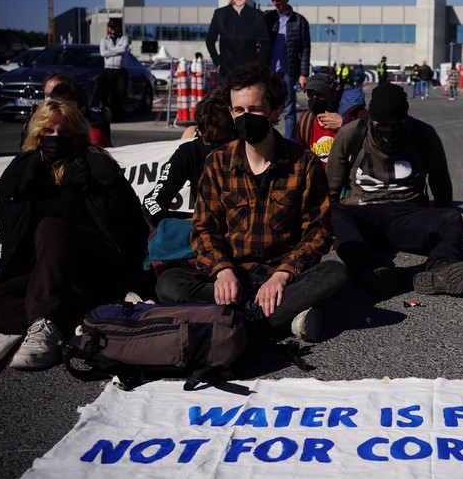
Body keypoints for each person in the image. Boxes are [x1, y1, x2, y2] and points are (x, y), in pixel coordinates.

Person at [155, 63, 349, 343]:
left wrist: (282, 275)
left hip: (283, 276)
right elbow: (204, 229)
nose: (246, 117)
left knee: (336, 273)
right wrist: (222, 272)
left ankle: (227, 321)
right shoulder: (217, 162)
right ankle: (269, 320)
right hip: (232, 278)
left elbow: (318, 232)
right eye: (238, 111)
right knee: (169, 282)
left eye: (255, 110)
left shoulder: (304, 163)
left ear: (276, 111)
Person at [0, 99, 148, 370]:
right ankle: (73, 318)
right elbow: (13, 236)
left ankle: (45, 328)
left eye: (65, 132)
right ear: (36, 134)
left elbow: (134, 226)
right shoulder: (21, 175)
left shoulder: (100, 169)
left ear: (78, 134)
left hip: (94, 269)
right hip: (46, 275)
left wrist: (134, 279)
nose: (57, 137)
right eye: (49, 132)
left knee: (51, 227)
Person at [326, 82, 463, 298]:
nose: (388, 134)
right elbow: (331, 190)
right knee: (333, 213)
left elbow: (441, 185)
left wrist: (447, 234)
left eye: (396, 126)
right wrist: (331, 234)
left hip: (408, 216)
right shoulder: (350, 134)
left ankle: (442, 268)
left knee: (450, 218)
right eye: (382, 126)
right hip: (364, 215)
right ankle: (371, 271)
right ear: (372, 120)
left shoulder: (423, 134)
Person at [141, 91, 236, 229]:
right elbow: (153, 201)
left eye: (223, 143)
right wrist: (170, 229)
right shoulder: (190, 151)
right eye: (209, 143)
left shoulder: (246, 148)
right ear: (199, 132)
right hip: (207, 226)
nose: (217, 151)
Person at [265, 0, 311, 144]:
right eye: (272, 0)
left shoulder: (299, 21)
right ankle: (266, 141)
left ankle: (289, 144)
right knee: (266, 108)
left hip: (288, 72)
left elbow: (305, 49)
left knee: (289, 109)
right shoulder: (268, 18)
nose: (275, 3)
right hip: (268, 72)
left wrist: (303, 73)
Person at [296, 73, 369, 167]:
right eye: (311, 95)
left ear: (333, 95)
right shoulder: (305, 121)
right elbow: (300, 155)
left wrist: (345, 122)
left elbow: (373, 126)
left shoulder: (352, 112)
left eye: (320, 95)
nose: (315, 99)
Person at [21, 72, 112, 148]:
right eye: (47, 95)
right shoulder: (35, 124)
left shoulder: (93, 137)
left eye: (64, 132)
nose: (50, 102)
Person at [205, 0, 270, 77]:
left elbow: (266, 44)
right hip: (227, 72)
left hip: (251, 73)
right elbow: (210, 41)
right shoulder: (220, 14)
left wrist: (259, 65)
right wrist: (217, 62)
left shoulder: (258, 15)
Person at [98, 18, 130, 119]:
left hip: (120, 69)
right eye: (110, 27)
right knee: (110, 93)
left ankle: (119, 111)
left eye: (114, 27)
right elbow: (103, 53)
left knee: (121, 91)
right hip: (108, 69)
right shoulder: (104, 40)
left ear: (118, 27)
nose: (113, 29)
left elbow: (124, 49)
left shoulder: (124, 38)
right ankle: (111, 113)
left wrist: (110, 50)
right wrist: (117, 51)